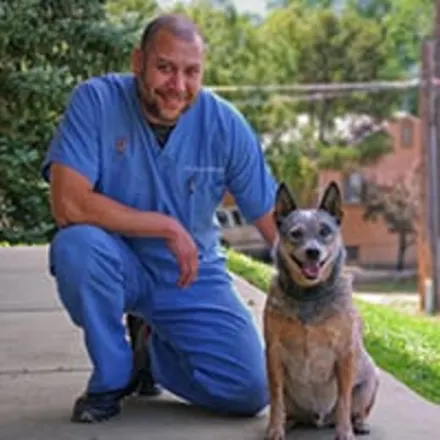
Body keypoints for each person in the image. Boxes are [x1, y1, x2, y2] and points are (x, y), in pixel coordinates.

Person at [41, 13, 278, 423]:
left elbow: (275, 220)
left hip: (191, 275)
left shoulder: (224, 124)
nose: (178, 86)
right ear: (138, 62)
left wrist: (328, 297)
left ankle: (150, 354)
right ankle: (113, 375)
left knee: (250, 390)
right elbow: (68, 204)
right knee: (76, 247)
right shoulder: (95, 102)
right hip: (114, 262)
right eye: (165, 68)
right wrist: (165, 226)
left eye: (191, 72)